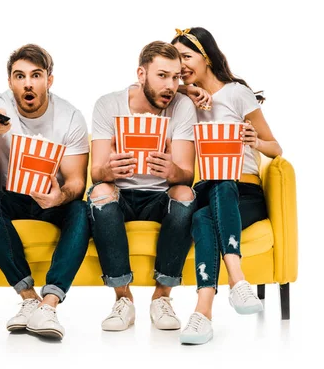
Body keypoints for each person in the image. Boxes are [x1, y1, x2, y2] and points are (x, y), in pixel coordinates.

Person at [171, 27, 283, 345]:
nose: (180, 65)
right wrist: (186, 92)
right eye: (176, 59)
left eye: (186, 57)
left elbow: (277, 148)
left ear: (206, 57)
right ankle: (238, 281)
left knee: (201, 218)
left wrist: (256, 141)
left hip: (244, 190)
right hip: (207, 186)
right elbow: (151, 85)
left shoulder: (237, 93)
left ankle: (202, 312)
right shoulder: (182, 99)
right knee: (215, 188)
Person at [0, 44, 90, 340]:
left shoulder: (70, 116)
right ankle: (28, 298)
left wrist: (59, 196)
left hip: (54, 199)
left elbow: (77, 182)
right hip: (10, 197)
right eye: (20, 76)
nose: (27, 83)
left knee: (81, 209)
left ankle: (49, 304)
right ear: (11, 82)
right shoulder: (1, 104)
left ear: (49, 80)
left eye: (36, 75)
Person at [88, 41, 197, 332]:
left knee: (186, 195)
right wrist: (107, 170)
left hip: (160, 196)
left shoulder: (182, 106)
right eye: (162, 75)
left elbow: (187, 176)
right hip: (120, 194)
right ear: (141, 73)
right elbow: (95, 173)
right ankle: (123, 299)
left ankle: (162, 297)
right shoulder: (107, 105)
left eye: (176, 77)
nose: (171, 85)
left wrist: (173, 170)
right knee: (99, 193)